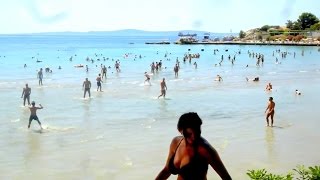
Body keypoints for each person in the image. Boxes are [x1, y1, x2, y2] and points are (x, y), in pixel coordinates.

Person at [155, 112, 232, 180]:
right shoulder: (176, 143)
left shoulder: (206, 150)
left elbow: (226, 177)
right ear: (180, 130)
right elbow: (166, 170)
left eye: (198, 133)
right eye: (189, 134)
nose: (194, 137)